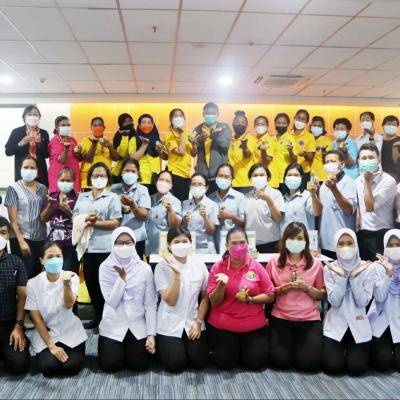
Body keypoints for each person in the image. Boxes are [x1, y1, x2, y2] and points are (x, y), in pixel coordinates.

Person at [207, 227, 275, 370]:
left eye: (242, 242)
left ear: (248, 244)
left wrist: (250, 299)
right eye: (234, 243)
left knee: (256, 363)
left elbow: (270, 295)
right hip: (223, 325)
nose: (238, 246)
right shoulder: (218, 267)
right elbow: (214, 301)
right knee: (225, 363)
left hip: (253, 325)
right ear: (227, 246)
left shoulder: (256, 266)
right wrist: (221, 285)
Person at [266, 222, 326, 371]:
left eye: (299, 238)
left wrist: (307, 288)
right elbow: (267, 292)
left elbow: (322, 294)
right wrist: (281, 289)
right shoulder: (273, 262)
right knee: (280, 362)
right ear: (284, 240)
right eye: (291, 238)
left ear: (306, 241)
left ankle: (298, 348)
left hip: (308, 319)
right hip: (281, 317)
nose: (295, 241)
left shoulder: (316, 264)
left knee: (308, 364)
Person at [98, 227, 157, 372]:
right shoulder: (105, 267)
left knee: (139, 364)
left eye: (128, 242)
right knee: (110, 365)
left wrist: (151, 335)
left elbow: (150, 305)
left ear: (134, 243)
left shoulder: (144, 269)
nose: (124, 246)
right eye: (119, 243)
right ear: (113, 244)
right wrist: (122, 279)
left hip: (137, 324)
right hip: (113, 324)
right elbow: (112, 301)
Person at [25, 242, 87, 377]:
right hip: (47, 333)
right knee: (49, 367)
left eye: (58, 256)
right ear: (42, 261)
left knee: (71, 367)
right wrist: (51, 345)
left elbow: (68, 304)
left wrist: (66, 284)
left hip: (70, 331)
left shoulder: (72, 277)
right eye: (50, 257)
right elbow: (36, 318)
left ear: (63, 258)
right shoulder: (33, 283)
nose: (55, 260)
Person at [74, 162, 122, 328]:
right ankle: (98, 316)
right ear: (90, 178)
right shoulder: (82, 197)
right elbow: (75, 217)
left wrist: (94, 223)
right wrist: (84, 220)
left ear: (108, 178)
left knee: (106, 286)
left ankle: (110, 319)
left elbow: (115, 222)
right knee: (91, 284)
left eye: (102, 175)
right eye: (96, 175)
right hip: (87, 248)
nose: (99, 178)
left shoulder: (112, 197)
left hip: (105, 249)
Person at [155, 227, 209, 372]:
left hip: (192, 320)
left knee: (199, 362)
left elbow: (205, 296)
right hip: (170, 323)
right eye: (176, 242)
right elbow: (170, 300)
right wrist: (177, 276)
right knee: (175, 365)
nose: (181, 245)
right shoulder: (162, 267)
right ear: (169, 245)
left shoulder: (199, 264)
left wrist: (198, 321)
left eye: (185, 241)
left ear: (191, 243)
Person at [322, 228, 375, 375]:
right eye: (341, 243)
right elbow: (335, 302)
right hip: (336, 323)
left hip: (359, 322)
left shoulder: (367, 268)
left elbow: (362, 302)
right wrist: (341, 278)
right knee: (332, 367)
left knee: (357, 369)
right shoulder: (330, 268)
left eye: (350, 243)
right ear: (335, 246)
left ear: (356, 244)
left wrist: (354, 279)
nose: (346, 247)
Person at [5, 156, 47, 278]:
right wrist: (21, 242)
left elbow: (44, 215)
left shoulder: (43, 189)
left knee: (37, 275)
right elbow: (13, 220)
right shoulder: (13, 188)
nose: (29, 170)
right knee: (24, 276)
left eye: (32, 168)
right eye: (26, 167)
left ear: (37, 170)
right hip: (21, 239)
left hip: (40, 238)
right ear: (21, 169)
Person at [312, 150, 357, 259]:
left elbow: (349, 209)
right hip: (324, 243)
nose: (329, 164)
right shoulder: (324, 185)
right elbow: (319, 211)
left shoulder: (349, 182)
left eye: (332, 161)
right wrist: (315, 193)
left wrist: (334, 188)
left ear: (342, 164)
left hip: (342, 243)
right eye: (326, 162)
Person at [356, 143, 397, 261]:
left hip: (383, 233)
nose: (367, 161)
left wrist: (367, 183)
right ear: (359, 161)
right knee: (365, 268)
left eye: (371, 157)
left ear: (378, 160)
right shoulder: (358, 180)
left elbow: (370, 207)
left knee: (383, 269)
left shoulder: (388, 181)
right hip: (363, 233)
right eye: (364, 158)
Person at [0, 217, 30, 375]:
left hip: (9, 324)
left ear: (7, 236)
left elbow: (23, 298)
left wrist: (18, 327)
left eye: (3, 233)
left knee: (19, 364)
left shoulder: (16, 262)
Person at [368, 229, 400, 371]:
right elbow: (379, 297)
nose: (394, 248)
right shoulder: (377, 267)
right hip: (381, 321)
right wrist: (388, 274)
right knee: (382, 364)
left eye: (398, 244)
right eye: (390, 245)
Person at [40, 167, 79, 275]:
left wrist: (68, 212)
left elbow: (80, 223)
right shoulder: (52, 196)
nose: (65, 183)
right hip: (52, 244)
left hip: (70, 245)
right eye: (62, 180)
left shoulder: (78, 198)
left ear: (73, 182)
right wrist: (50, 206)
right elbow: (43, 218)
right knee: (52, 275)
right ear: (57, 180)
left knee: (68, 275)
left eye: (68, 180)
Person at [111, 158, 150, 260]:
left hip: (136, 238)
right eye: (127, 170)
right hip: (117, 237)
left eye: (133, 171)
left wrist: (133, 205)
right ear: (121, 172)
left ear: (138, 174)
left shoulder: (142, 190)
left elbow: (144, 216)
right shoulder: (113, 189)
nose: (130, 173)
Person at [244, 163, 285, 253]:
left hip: (271, 244)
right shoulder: (246, 197)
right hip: (250, 245)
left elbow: (278, 218)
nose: (258, 177)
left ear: (268, 178)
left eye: (261, 175)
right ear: (250, 179)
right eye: (255, 175)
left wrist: (268, 200)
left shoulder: (275, 193)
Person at [5, 105, 49, 187]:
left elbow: (46, 155)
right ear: (24, 117)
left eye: (35, 114)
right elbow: (8, 151)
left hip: (40, 175)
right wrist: (21, 143)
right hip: (22, 174)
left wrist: (39, 144)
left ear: (39, 117)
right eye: (29, 114)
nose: (33, 117)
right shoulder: (16, 132)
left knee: (42, 195)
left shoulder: (43, 133)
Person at [193, 102, 232, 192]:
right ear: (203, 114)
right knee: (203, 199)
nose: (210, 115)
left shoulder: (224, 127)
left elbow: (226, 146)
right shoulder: (198, 129)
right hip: (202, 175)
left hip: (220, 174)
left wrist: (215, 136)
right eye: (207, 113)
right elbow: (193, 152)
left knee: (220, 199)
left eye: (213, 113)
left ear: (218, 114)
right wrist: (197, 141)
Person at [128, 113, 168, 195]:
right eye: (143, 122)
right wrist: (144, 144)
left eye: (149, 122)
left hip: (155, 179)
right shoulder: (133, 139)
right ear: (139, 126)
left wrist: (160, 151)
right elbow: (134, 159)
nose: (146, 124)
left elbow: (165, 157)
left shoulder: (158, 140)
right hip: (139, 179)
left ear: (153, 125)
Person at [209, 164, 245, 253]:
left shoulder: (239, 197)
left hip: (234, 243)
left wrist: (231, 216)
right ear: (216, 177)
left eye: (226, 176)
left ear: (232, 179)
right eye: (220, 176)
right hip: (214, 243)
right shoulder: (210, 198)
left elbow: (243, 222)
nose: (223, 178)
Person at [145, 170, 182, 256]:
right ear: (156, 182)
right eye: (161, 180)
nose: (163, 183)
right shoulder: (149, 198)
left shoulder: (175, 202)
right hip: (147, 248)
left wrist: (170, 210)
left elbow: (175, 226)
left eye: (167, 181)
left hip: (163, 251)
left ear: (171, 185)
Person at [164, 108, 197, 202]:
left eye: (181, 116)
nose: (178, 118)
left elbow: (193, 154)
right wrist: (181, 134)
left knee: (184, 201)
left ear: (184, 119)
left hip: (186, 173)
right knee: (175, 202)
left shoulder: (188, 133)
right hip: (175, 173)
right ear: (171, 119)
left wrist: (194, 144)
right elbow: (181, 152)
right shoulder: (168, 135)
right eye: (175, 116)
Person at [182, 173, 219, 254]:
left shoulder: (212, 205)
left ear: (206, 187)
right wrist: (184, 221)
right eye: (194, 184)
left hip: (206, 250)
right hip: (188, 248)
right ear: (190, 186)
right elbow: (182, 229)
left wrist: (205, 217)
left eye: (200, 184)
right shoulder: (185, 204)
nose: (196, 187)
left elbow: (212, 231)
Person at [79, 117, 120, 191]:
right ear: (91, 128)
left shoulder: (108, 141)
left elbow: (116, 158)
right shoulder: (85, 141)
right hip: (89, 181)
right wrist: (94, 143)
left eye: (100, 125)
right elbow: (88, 160)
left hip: (105, 179)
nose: (97, 127)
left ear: (104, 128)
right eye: (95, 125)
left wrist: (110, 146)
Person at [280, 163, 318, 232]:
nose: (292, 177)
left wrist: (313, 195)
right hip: (286, 238)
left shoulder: (307, 195)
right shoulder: (281, 198)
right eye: (289, 175)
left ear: (301, 179)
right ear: (285, 178)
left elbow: (316, 212)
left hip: (303, 237)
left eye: (296, 175)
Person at [48, 115, 81, 193]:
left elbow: (79, 159)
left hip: (73, 177)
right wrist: (66, 148)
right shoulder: (54, 141)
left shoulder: (72, 140)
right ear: (57, 128)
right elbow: (62, 160)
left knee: (73, 198)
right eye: (63, 125)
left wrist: (78, 153)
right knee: (59, 199)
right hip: (59, 179)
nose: (66, 127)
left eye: (68, 125)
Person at [228, 110, 257, 194]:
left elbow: (247, 155)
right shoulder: (231, 140)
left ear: (246, 125)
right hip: (232, 182)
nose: (239, 124)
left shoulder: (250, 139)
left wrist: (244, 146)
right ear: (232, 124)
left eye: (242, 122)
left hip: (246, 183)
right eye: (237, 122)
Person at [272, 113, 296, 190]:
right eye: (279, 123)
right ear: (275, 123)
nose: (281, 125)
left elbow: (295, 160)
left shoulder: (291, 138)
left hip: (285, 177)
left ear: (287, 124)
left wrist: (290, 151)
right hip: (273, 177)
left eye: (283, 123)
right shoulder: (272, 139)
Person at [290, 109, 316, 181]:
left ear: (307, 122)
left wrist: (305, 154)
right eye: (298, 118)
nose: (300, 121)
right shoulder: (288, 135)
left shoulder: (310, 136)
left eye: (303, 119)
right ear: (294, 118)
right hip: (290, 171)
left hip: (304, 172)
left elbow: (310, 156)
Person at [253, 115, 278, 188]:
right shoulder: (255, 140)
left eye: (263, 124)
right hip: (259, 178)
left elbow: (267, 160)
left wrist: (263, 151)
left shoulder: (268, 141)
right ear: (254, 126)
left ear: (267, 126)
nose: (260, 126)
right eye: (258, 124)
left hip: (269, 180)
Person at [112, 113, 136, 183]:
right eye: (126, 122)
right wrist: (125, 136)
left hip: (133, 171)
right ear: (121, 124)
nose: (129, 123)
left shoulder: (136, 134)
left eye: (130, 121)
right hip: (119, 172)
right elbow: (121, 154)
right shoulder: (117, 136)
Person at [310, 116, 332, 182]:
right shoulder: (307, 139)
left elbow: (328, 162)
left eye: (319, 126)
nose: (316, 128)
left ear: (323, 128)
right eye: (314, 125)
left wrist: (324, 152)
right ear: (311, 126)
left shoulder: (327, 141)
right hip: (307, 174)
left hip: (321, 176)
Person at [381, 115, 400, 181]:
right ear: (383, 126)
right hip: (378, 172)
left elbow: (396, 161)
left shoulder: (399, 141)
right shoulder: (378, 139)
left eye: (394, 125)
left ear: (397, 127)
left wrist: (395, 147)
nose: (391, 126)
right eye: (389, 124)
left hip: (394, 174)